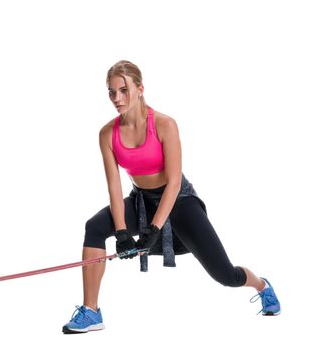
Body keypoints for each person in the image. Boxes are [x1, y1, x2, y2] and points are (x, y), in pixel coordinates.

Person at [62, 60, 281, 334]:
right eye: (111, 92)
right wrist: (120, 232)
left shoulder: (165, 124)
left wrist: (154, 229)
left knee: (226, 275)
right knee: (94, 227)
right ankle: (91, 311)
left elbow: (174, 182)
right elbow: (114, 188)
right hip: (141, 200)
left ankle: (261, 285)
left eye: (123, 90)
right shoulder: (107, 133)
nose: (116, 98)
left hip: (179, 200)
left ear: (140, 88)